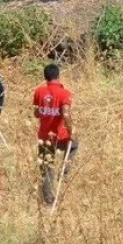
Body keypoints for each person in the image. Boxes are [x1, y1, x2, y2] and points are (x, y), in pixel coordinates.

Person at [32, 63, 77, 204]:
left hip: (44, 136)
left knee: (46, 166)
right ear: (58, 76)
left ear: (45, 77)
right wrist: (71, 131)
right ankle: (64, 172)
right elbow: (65, 113)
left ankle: (48, 199)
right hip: (61, 135)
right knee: (75, 144)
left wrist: (46, 111)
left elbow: (36, 113)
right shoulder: (65, 93)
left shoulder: (39, 92)